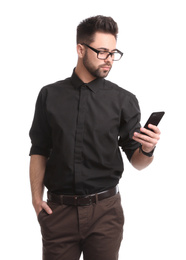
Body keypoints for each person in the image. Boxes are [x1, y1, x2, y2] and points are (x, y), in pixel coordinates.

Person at [29, 15, 161, 260]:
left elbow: (138, 162)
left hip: (105, 214)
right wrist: (36, 199)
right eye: (102, 52)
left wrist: (148, 149)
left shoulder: (124, 100)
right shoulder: (49, 95)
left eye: (113, 52)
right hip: (58, 212)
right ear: (80, 49)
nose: (109, 60)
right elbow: (39, 148)